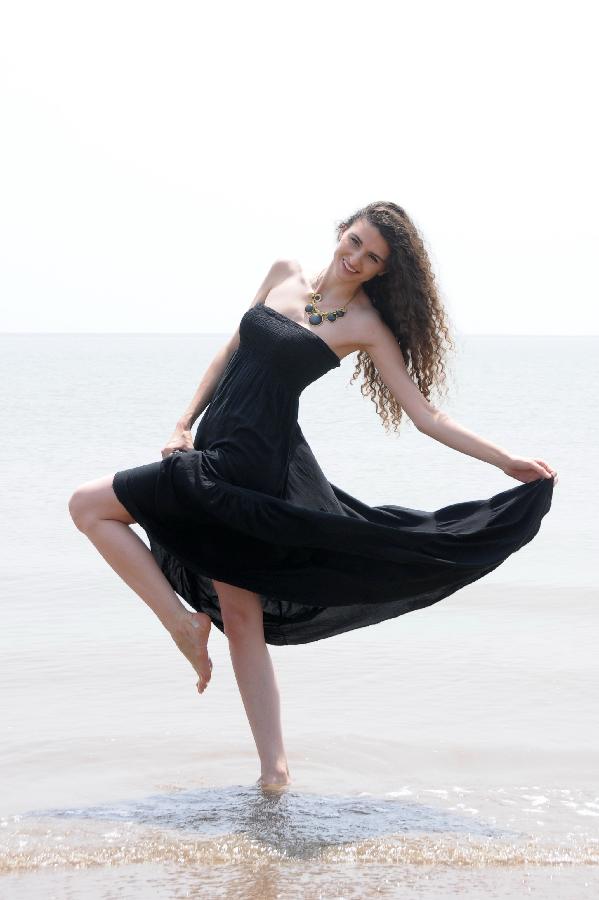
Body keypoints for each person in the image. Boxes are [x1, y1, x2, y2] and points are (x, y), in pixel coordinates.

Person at [68, 201, 558, 790]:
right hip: (211, 449)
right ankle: (273, 770)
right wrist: (182, 424)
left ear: (383, 272)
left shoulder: (365, 325)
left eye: (371, 258)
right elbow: (230, 353)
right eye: (353, 243)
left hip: (253, 465)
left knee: (89, 505)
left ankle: (183, 628)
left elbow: (426, 414)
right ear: (340, 232)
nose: (355, 260)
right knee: (241, 617)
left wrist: (505, 460)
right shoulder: (283, 272)